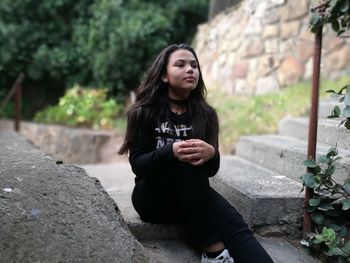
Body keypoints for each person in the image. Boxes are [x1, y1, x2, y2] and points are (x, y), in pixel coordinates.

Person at [118, 43, 274, 263]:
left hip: (191, 195)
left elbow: (210, 171)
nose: (190, 69)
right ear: (164, 75)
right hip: (152, 199)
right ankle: (214, 252)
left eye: (194, 65)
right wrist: (170, 152)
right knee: (185, 159)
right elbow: (138, 164)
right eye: (180, 65)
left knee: (234, 223)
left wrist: (212, 154)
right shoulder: (144, 112)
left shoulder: (206, 114)